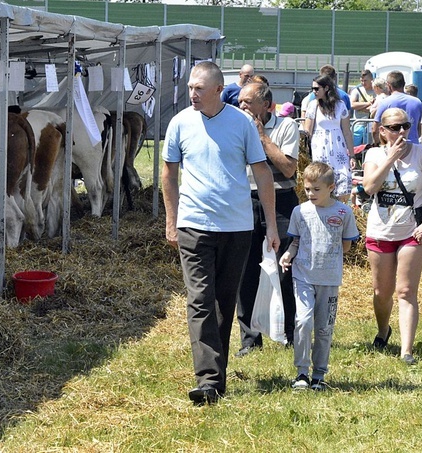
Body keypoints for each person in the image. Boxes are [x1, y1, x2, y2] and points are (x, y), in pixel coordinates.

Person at [162, 61, 279, 405]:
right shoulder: (179, 122)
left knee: (224, 302)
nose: (192, 94)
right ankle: (209, 380)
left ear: (217, 90)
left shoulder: (241, 123)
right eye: (190, 88)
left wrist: (271, 225)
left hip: (237, 226)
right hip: (194, 225)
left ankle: (217, 375)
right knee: (199, 300)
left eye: (199, 88)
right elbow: (168, 174)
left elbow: (262, 173)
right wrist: (172, 220)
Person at [363, 108, 422, 365]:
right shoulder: (374, 153)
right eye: (395, 127)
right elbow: (370, 187)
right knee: (381, 292)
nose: (401, 132)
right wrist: (390, 158)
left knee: (406, 290)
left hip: (412, 231)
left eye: (405, 126)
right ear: (383, 131)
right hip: (380, 231)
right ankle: (384, 330)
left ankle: (406, 350)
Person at [279, 162, 359, 390]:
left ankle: (319, 375)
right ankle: (302, 372)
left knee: (324, 328)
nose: (311, 194)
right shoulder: (300, 211)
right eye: (307, 189)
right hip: (303, 275)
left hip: (330, 279)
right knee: (303, 322)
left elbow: (347, 245)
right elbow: (296, 241)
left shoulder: (343, 212)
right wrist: (288, 255)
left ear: (331, 187)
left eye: (317, 190)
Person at [235, 82, 300, 356]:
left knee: (285, 267)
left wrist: (262, 137)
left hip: (281, 201)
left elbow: (288, 168)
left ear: (266, 105)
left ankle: (288, 332)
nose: (242, 107)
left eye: (248, 102)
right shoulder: (235, 127)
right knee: (245, 271)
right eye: (240, 101)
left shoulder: (286, 127)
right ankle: (249, 339)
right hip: (246, 201)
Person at [304, 74, 354, 203]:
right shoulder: (312, 105)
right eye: (313, 88)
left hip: (338, 146)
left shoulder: (340, 105)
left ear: (326, 88)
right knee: (320, 177)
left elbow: (347, 131)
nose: (314, 92)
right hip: (319, 146)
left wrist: (352, 155)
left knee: (343, 177)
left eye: (316, 89)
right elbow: (307, 131)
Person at [372, 71, 422, 145]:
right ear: (404, 84)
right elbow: (420, 127)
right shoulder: (417, 102)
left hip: (392, 146)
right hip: (413, 146)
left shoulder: (385, 103)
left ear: (388, 85)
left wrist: (377, 143)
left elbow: (375, 129)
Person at [350, 70, 376, 146]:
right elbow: (353, 105)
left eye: (365, 81)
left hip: (371, 125)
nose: (363, 83)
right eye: (362, 81)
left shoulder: (376, 91)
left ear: (371, 80)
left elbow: (377, 107)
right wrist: (368, 103)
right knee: (354, 147)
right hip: (358, 124)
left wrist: (360, 107)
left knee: (370, 147)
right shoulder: (356, 91)